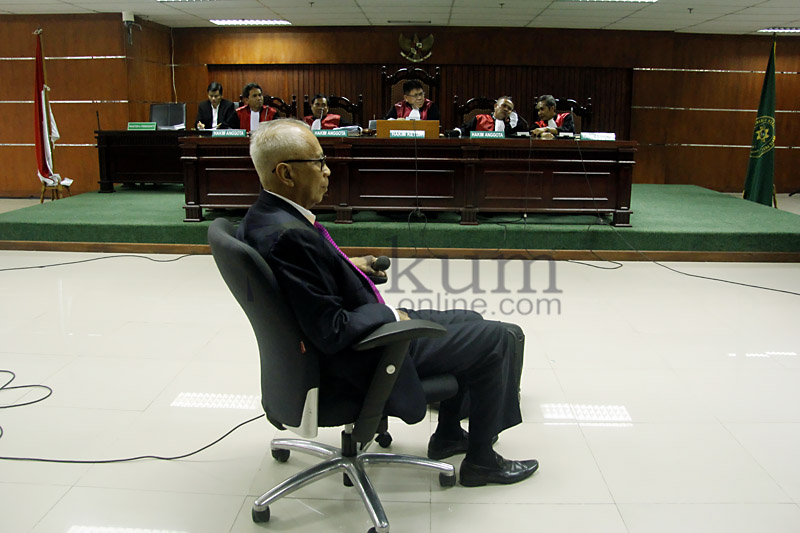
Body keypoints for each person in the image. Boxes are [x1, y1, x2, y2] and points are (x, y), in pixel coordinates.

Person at [236, 118, 538, 487]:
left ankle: (448, 436)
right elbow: (331, 329)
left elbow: (305, 283)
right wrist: (392, 315)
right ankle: (482, 462)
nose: (327, 171)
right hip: (363, 355)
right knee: (498, 338)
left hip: (331, 346)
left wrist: (347, 265)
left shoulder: (264, 218)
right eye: (318, 162)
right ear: (285, 173)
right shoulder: (290, 238)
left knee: (470, 316)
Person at [447, 96, 525, 138]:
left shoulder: (513, 125)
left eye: (509, 108)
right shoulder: (480, 119)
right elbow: (465, 130)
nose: (506, 109)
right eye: (504, 106)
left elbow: (523, 135)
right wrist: (452, 133)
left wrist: (513, 121)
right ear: (495, 106)